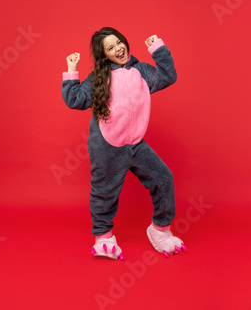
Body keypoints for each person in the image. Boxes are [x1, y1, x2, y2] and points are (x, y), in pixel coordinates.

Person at [62, 27, 186, 260]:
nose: (118, 48)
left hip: (136, 144)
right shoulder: (100, 78)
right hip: (107, 146)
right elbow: (75, 100)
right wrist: (71, 71)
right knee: (104, 191)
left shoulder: (141, 71)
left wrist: (157, 49)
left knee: (163, 178)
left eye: (118, 42)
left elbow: (168, 76)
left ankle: (160, 230)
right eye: (110, 48)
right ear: (104, 56)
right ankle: (103, 237)